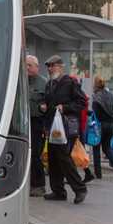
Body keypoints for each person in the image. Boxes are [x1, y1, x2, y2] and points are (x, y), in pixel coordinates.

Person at [41, 55, 88, 204]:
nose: (49, 69)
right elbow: (47, 104)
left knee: (64, 159)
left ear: (61, 66)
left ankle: (80, 189)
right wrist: (42, 107)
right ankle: (58, 191)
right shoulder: (49, 84)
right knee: (53, 159)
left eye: (52, 65)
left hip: (66, 128)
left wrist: (65, 107)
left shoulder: (69, 82)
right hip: (52, 128)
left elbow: (82, 102)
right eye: (48, 66)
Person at [91, 75, 113, 179]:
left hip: (100, 126)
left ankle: (98, 174)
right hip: (110, 124)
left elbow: (96, 115)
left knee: (96, 148)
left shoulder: (96, 97)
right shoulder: (109, 95)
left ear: (95, 84)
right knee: (106, 147)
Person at [26, 56, 47, 196]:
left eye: (29, 65)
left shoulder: (43, 83)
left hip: (37, 123)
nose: (27, 68)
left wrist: (44, 108)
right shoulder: (19, 81)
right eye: (25, 65)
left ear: (36, 67)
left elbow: (49, 104)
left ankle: (39, 185)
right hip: (21, 124)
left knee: (35, 155)